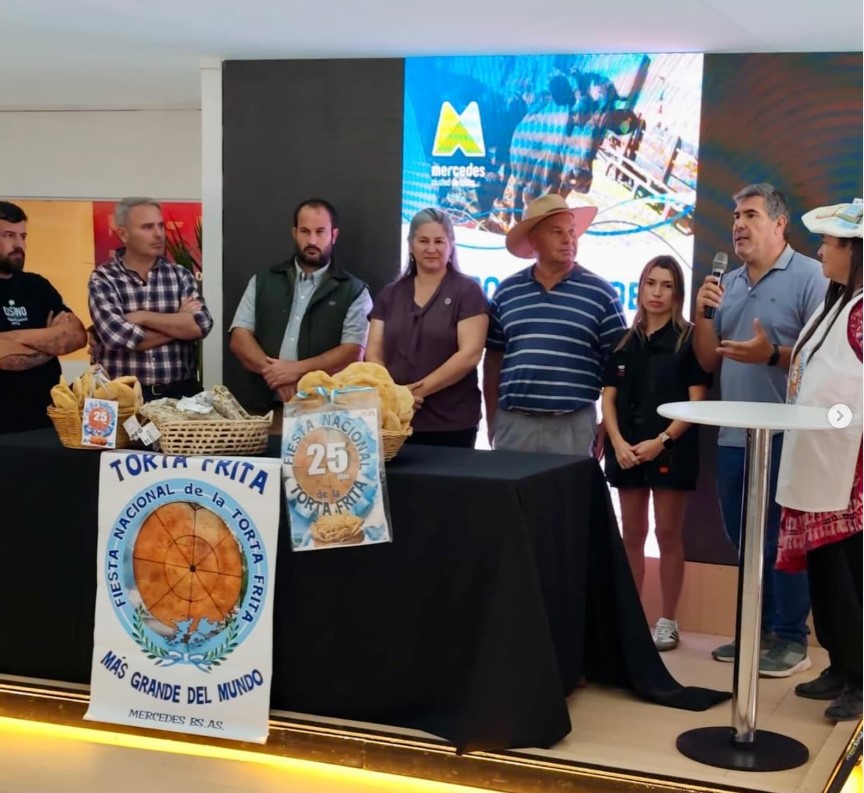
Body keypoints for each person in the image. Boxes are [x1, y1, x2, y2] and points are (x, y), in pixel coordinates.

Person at [693, 183, 828, 676]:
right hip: (734, 435)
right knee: (744, 538)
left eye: (750, 215)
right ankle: (759, 630)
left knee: (780, 540)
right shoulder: (725, 283)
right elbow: (707, 359)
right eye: (735, 216)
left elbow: (824, 358)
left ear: (779, 223)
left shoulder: (811, 277)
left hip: (788, 436)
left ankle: (791, 638)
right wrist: (703, 316)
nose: (738, 225)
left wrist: (770, 354)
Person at [775, 200, 862, 721]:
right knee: (827, 572)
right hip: (820, 460)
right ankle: (841, 663)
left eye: (830, 243)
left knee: (849, 573)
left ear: (855, 251)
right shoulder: (836, 303)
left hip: (849, 468)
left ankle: (860, 674)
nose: (821, 250)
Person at [602, 255, 712, 651]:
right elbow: (608, 399)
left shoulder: (689, 341)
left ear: (677, 293)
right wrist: (617, 443)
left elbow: (696, 404)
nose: (657, 292)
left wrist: (661, 442)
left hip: (670, 451)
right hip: (626, 451)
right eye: (651, 283)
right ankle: (632, 620)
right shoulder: (623, 341)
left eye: (666, 285)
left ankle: (668, 620)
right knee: (632, 534)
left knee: (667, 534)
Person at [484, 194, 626, 456]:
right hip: (514, 425)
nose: (568, 239)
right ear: (534, 240)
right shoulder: (506, 292)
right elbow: (493, 359)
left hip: (574, 426)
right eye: (557, 232)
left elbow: (621, 366)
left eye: (571, 231)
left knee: (571, 487)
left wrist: (608, 422)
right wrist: (493, 418)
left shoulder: (602, 294)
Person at [229, 198, 372, 411]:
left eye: (320, 232)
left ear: (333, 235)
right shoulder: (263, 281)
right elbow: (239, 338)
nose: (312, 240)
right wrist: (278, 375)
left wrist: (297, 371)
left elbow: (352, 352)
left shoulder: (354, 291)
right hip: (262, 408)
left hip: (324, 412)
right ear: (294, 233)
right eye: (305, 231)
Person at [365, 208, 488, 447]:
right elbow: (373, 353)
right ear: (411, 245)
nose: (431, 249)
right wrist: (396, 395)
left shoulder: (468, 292)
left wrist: (415, 392)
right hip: (395, 423)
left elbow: (470, 354)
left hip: (452, 425)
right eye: (423, 241)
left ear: (451, 245)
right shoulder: (390, 294)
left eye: (439, 241)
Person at [88, 197, 212, 401]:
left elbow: (200, 325)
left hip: (180, 394)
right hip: (123, 396)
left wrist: (143, 317)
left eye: (160, 225)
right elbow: (118, 337)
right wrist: (179, 323)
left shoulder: (180, 275)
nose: (158, 234)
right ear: (123, 234)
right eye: (147, 227)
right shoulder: (104, 278)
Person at [0, 201, 87, 433]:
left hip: (45, 423)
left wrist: (10, 340)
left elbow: (77, 335)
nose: (19, 244)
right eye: (8, 235)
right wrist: (50, 340)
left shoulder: (37, 286)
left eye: (23, 236)